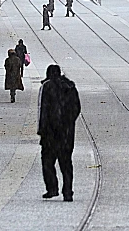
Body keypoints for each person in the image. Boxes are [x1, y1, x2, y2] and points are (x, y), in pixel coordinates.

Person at [38, 64, 81, 202]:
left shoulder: (47, 87)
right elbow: (77, 108)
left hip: (50, 133)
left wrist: (42, 131)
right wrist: (68, 122)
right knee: (66, 163)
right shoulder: (70, 88)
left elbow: (44, 111)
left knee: (47, 162)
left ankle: (52, 188)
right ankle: (68, 191)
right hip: (66, 133)